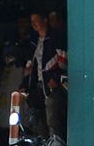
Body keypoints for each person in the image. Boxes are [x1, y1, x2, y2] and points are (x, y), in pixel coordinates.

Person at [24, 11, 66, 139]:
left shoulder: (55, 37)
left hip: (51, 86)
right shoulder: (34, 41)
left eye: (36, 20)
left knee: (53, 121)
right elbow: (31, 66)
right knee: (37, 119)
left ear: (44, 20)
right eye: (31, 22)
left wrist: (55, 78)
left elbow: (64, 62)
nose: (34, 24)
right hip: (37, 86)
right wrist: (25, 84)